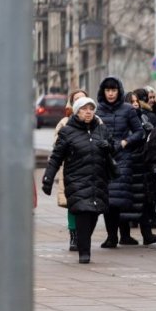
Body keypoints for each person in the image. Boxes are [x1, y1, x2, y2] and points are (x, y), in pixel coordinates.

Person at [41, 97, 114, 264]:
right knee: (83, 212)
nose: (88, 112)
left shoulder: (101, 129)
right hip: (77, 179)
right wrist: (48, 178)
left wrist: (108, 146)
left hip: (98, 179)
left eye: (91, 108)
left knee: (94, 214)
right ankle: (84, 252)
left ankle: (82, 241)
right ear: (77, 111)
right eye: (84, 108)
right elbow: (56, 157)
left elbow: (113, 148)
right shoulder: (67, 131)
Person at [96, 76, 145, 248]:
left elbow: (139, 132)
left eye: (113, 90)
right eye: (107, 90)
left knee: (116, 199)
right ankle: (111, 236)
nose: (110, 94)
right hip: (103, 157)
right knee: (106, 199)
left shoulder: (127, 109)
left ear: (119, 91)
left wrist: (126, 142)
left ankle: (118, 235)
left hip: (122, 158)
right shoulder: (97, 110)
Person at [53, 89, 91, 251]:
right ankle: (74, 236)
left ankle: (84, 235)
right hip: (72, 170)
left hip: (90, 170)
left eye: (84, 100)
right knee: (73, 204)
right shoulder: (64, 122)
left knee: (89, 206)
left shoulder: (96, 121)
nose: (81, 103)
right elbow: (57, 146)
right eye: (77, 100)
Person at [121, 91, 156, 245]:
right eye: (132, 101)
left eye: (136, 101)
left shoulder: (144, 117)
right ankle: (124, 235)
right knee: (125, 203)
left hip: (142, 167)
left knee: (144, 202)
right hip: (129, 165)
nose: (135, 104)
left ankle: (147, 234)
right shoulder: (124, 119)